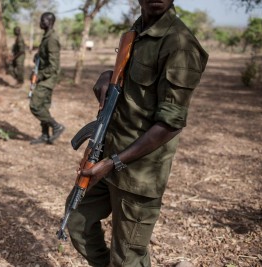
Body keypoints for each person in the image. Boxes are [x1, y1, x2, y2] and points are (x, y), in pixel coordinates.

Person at [66, 1, 209, 266]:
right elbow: (130, 85)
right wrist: (107, 75)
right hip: (107, 153)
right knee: (76, 220)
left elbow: (171, 123)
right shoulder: (137, 32)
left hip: (138, 172)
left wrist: (113, 163)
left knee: (127, 258)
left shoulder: (180, 44)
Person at [29, 12, 65, 145]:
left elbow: (54, 66)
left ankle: (56, 126)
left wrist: (39, 76)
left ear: (49, 22)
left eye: (43, 20)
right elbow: (45, 58)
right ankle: (45, 135)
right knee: (43, 106)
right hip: (44, 76)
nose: (40, 22)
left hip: (48, 78)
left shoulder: (51, 39)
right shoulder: (46, 37)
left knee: (35, 105)